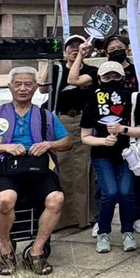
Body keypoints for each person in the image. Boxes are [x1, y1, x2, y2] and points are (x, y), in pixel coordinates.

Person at [0, 67, 72, 275]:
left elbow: (67, 141)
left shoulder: (46, 115)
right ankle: (5, 248)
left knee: (57, 199)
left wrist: (48, 145)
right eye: (18, 84)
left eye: (28, 84)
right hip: (6, 169)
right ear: (10, 87)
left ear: (35, 87)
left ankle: (35, 251)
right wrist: (4, 147)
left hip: (38, 168)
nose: (23, 88)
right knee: (5, 199)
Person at [80, 61, 140, 253]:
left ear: (124, 78)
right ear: (100, 79)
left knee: (127, 192)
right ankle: (104, 232)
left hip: (129, 155)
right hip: (102, 155)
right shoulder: (93, 100)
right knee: (109, 193)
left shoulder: (135, 98)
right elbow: (85, 137)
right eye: (107, 76)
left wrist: (123, 129)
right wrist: (103, 141)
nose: (112, 80)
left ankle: (128, 232)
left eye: (116, 76)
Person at [41, 34, 94, 229]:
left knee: (82, 170)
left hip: (82, 122)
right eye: (70, 46)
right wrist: (50, 61)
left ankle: (83, 217)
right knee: (60, 169)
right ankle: (60, 219)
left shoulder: (91, 71)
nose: (75, 49)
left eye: (79, 46)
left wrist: (80, 57)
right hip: (59, 121)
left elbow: (76, 79)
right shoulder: (57, 69)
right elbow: (43, 90)